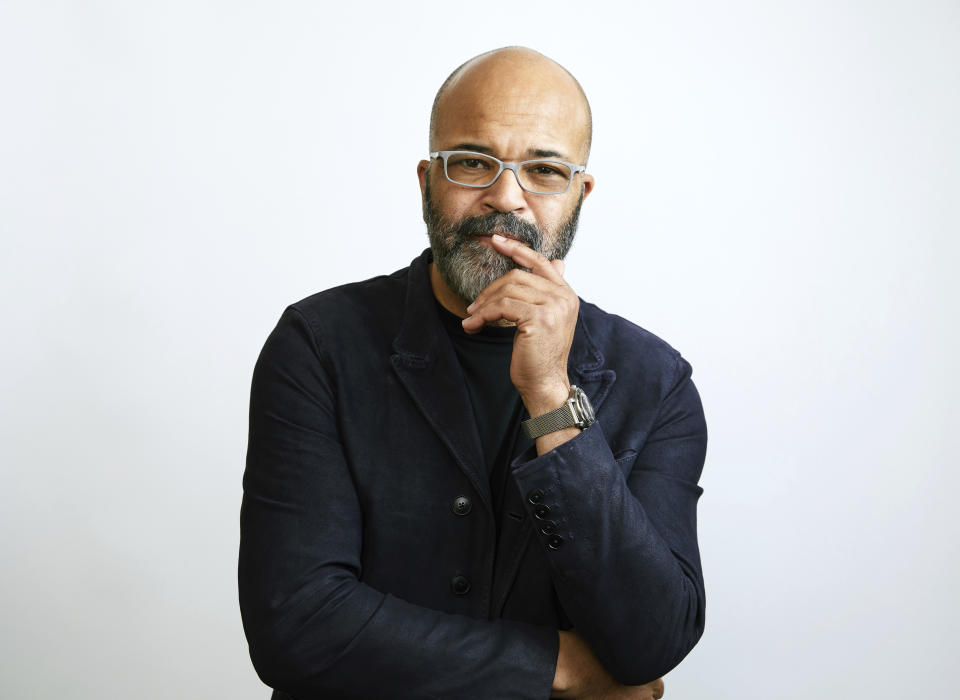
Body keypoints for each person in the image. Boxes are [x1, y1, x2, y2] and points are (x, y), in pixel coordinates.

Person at [239, 46, 707, 700]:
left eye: (544, 169)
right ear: (428, 181)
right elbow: (295, 625)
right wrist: (560, 668)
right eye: (472, 162)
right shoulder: (318, 346)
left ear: (579, 194)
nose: (505, 197)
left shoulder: (657, 384)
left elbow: (653, 640)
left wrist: (551, 398)